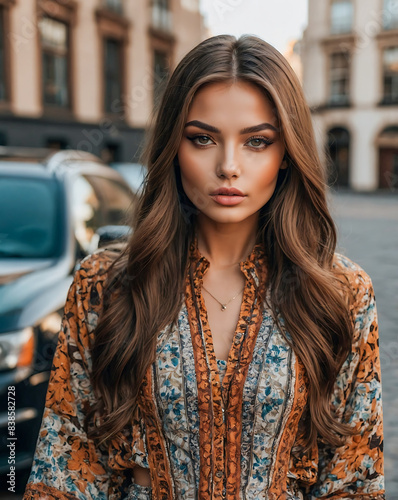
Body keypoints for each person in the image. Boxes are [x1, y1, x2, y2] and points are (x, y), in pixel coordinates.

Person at [23, 34, 385, 499]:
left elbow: (353, 478)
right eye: (202, 139)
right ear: (174, 147)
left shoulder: (340, 291)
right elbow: (67, 463)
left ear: (287, 155)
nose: (229, 166)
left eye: (257, 141)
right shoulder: (106, 283)